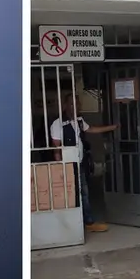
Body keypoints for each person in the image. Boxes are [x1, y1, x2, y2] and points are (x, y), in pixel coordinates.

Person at [50, 93, 118, 233]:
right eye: (72, 104)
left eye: (78, 104)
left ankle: (88, 223)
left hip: (80, 163)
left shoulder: (79, 120)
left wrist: (112, 127)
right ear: (65, 106)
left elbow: (91, 129)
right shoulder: (58, 124)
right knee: (69, 194)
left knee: (84, 192)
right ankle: (69, 226)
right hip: (67, 166)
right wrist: (60, 167)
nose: (76, 107)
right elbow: (56, 147)